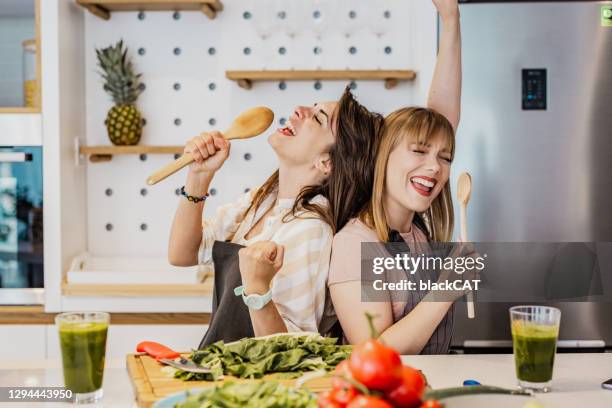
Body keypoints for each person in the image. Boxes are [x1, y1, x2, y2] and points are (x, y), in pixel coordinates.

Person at [168, 89, 383, 346]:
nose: (299, 110)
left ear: (327, 162)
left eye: (317, 118)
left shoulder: (311, 229)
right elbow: (183, 254)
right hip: (227, 371)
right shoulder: (262, 199)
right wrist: (199, 176)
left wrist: (258, 288)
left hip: (254, 381)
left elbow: (292, 348)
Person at [328, 0, 463, 355]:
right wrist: (448, 285)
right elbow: (376, 353)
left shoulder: (416, 232)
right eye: (418, 152)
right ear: (382, 157)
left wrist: (451, 19)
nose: (435, 167)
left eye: (444, 157)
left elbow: (443, 121)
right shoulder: (355, 243)